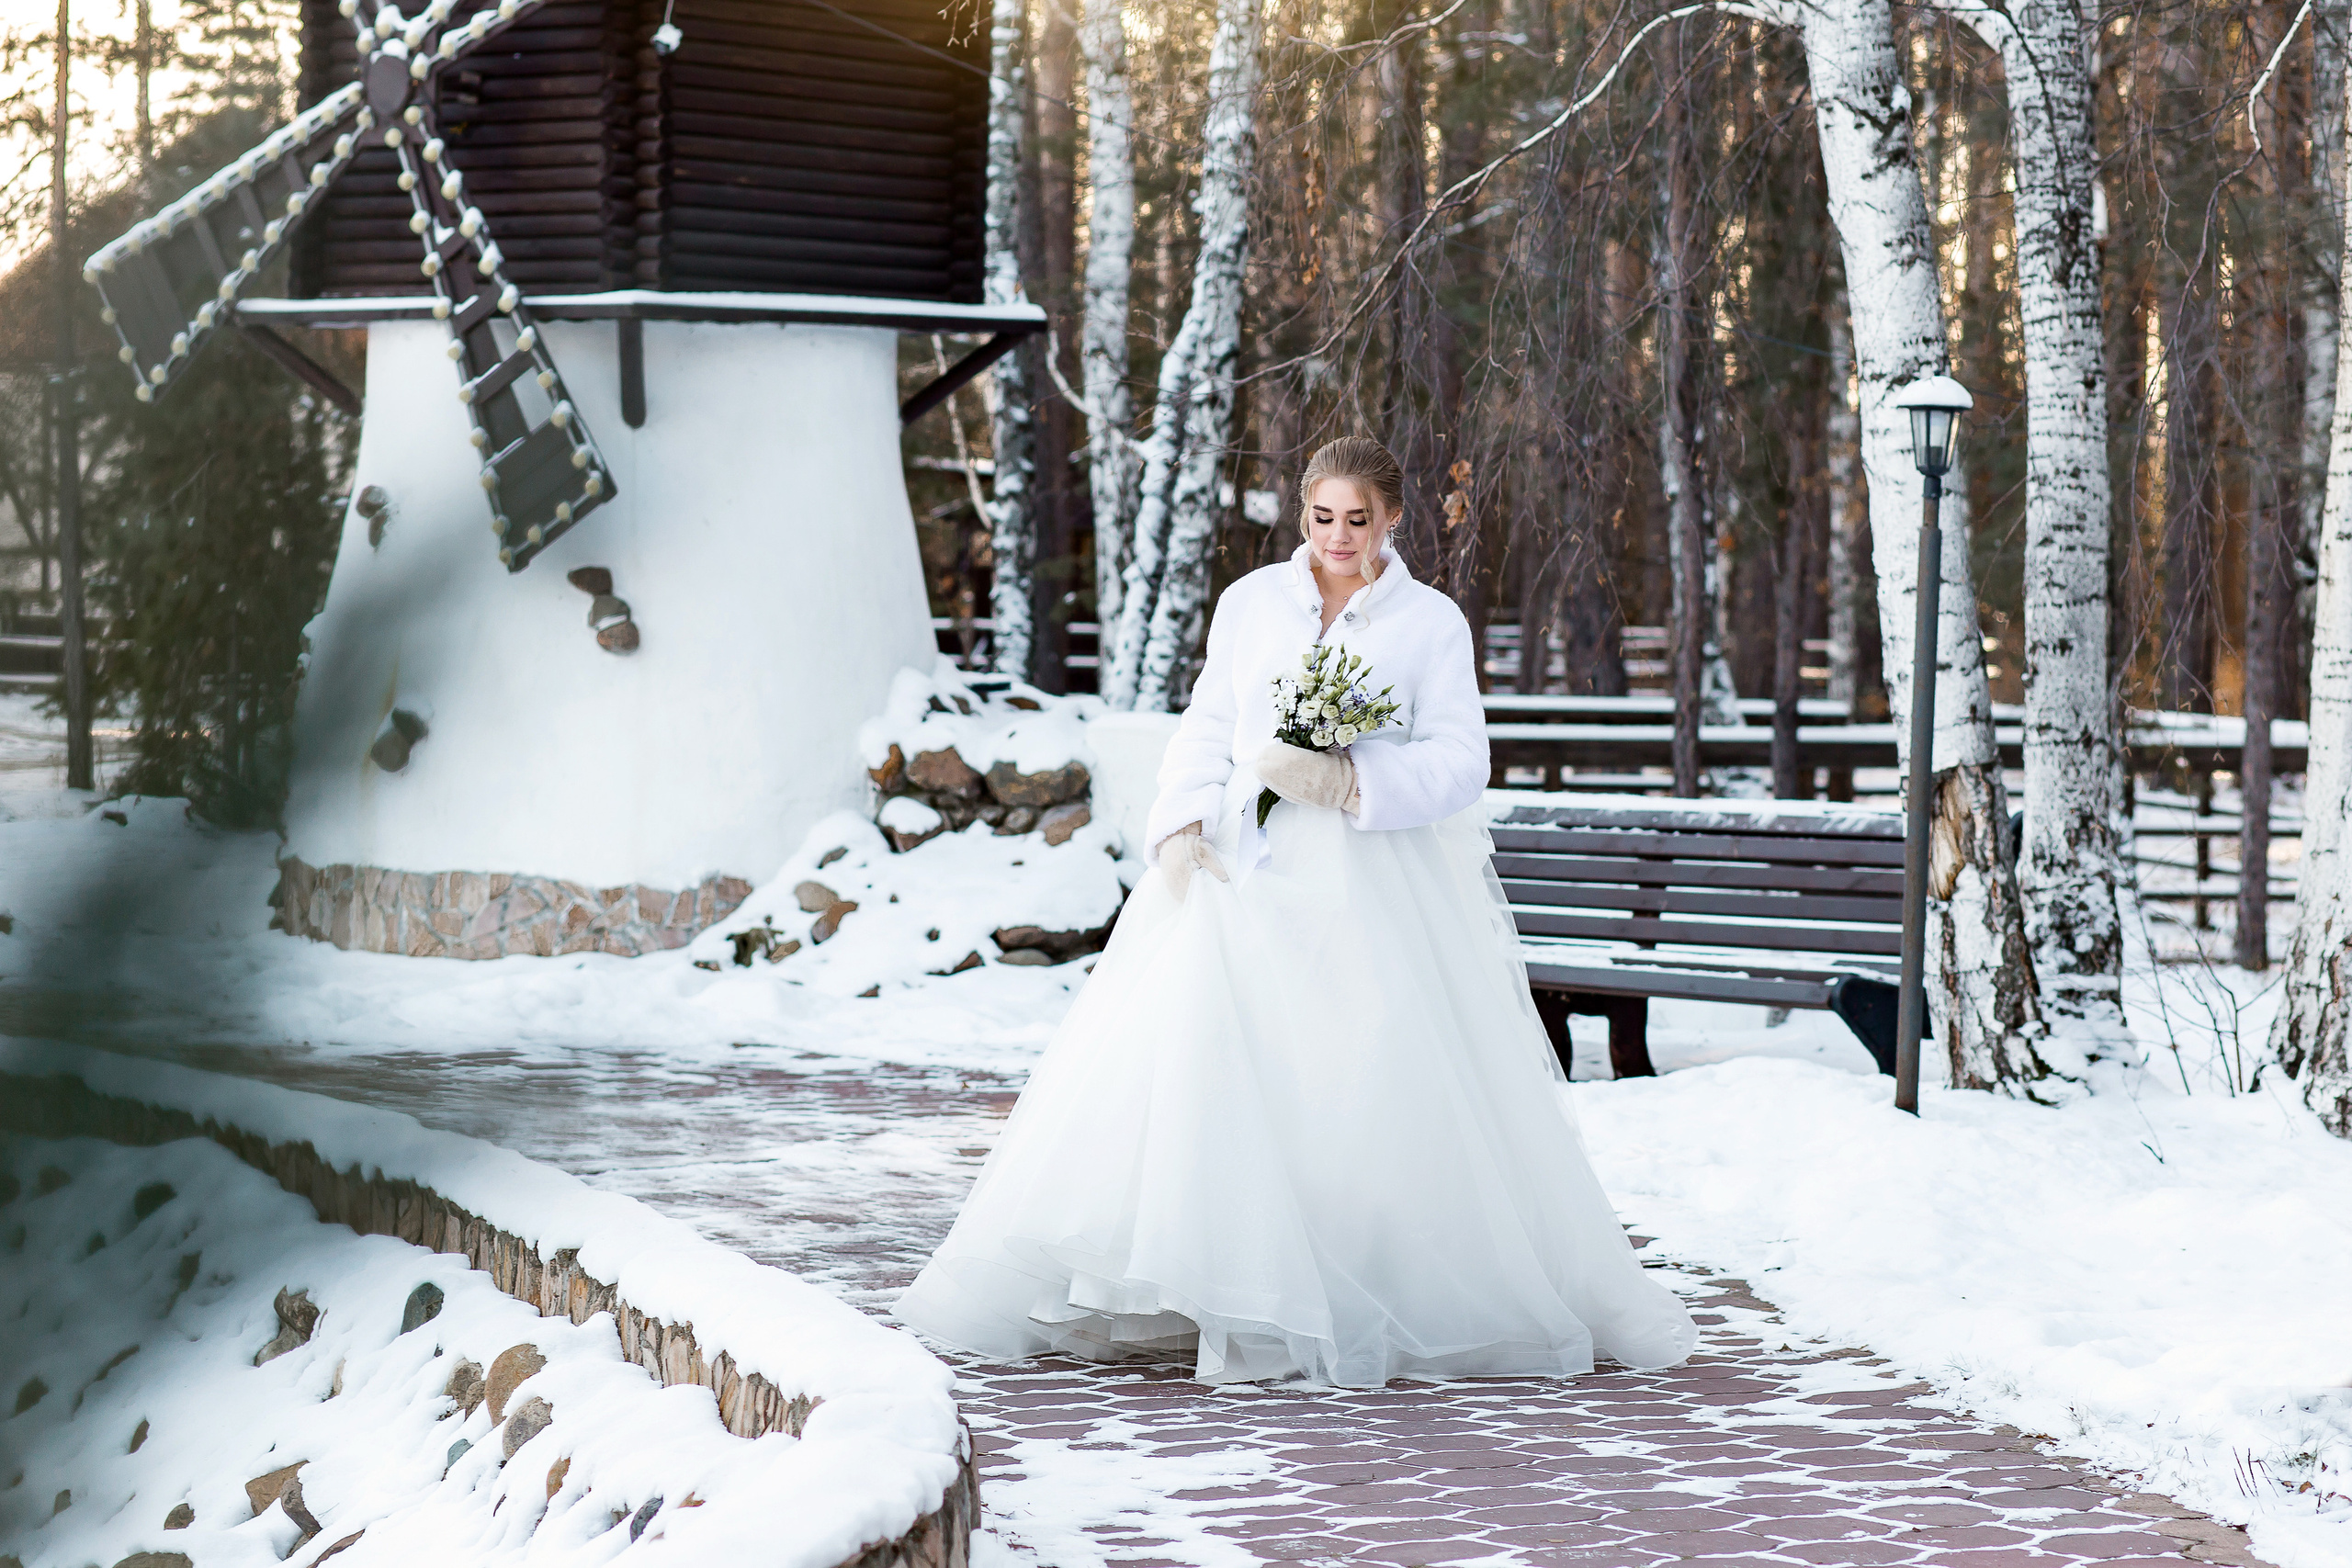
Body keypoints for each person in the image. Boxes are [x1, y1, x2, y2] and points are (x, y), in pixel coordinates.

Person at [895, 436, 1696, 1386]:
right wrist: (1180, 825)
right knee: (1205, 1070)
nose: (1340, 537)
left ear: (1392, 518)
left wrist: (1349, 777)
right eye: (1323, 517)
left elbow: (1458, 761)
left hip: (1365, 885)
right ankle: (1197, 1281)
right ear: (1302, 512)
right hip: (1237, 873)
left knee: (1356, 1075)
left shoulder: (1430, 624)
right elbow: (1205, 721)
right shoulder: (1249, 605)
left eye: (1359, 519)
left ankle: (1360, 1283)